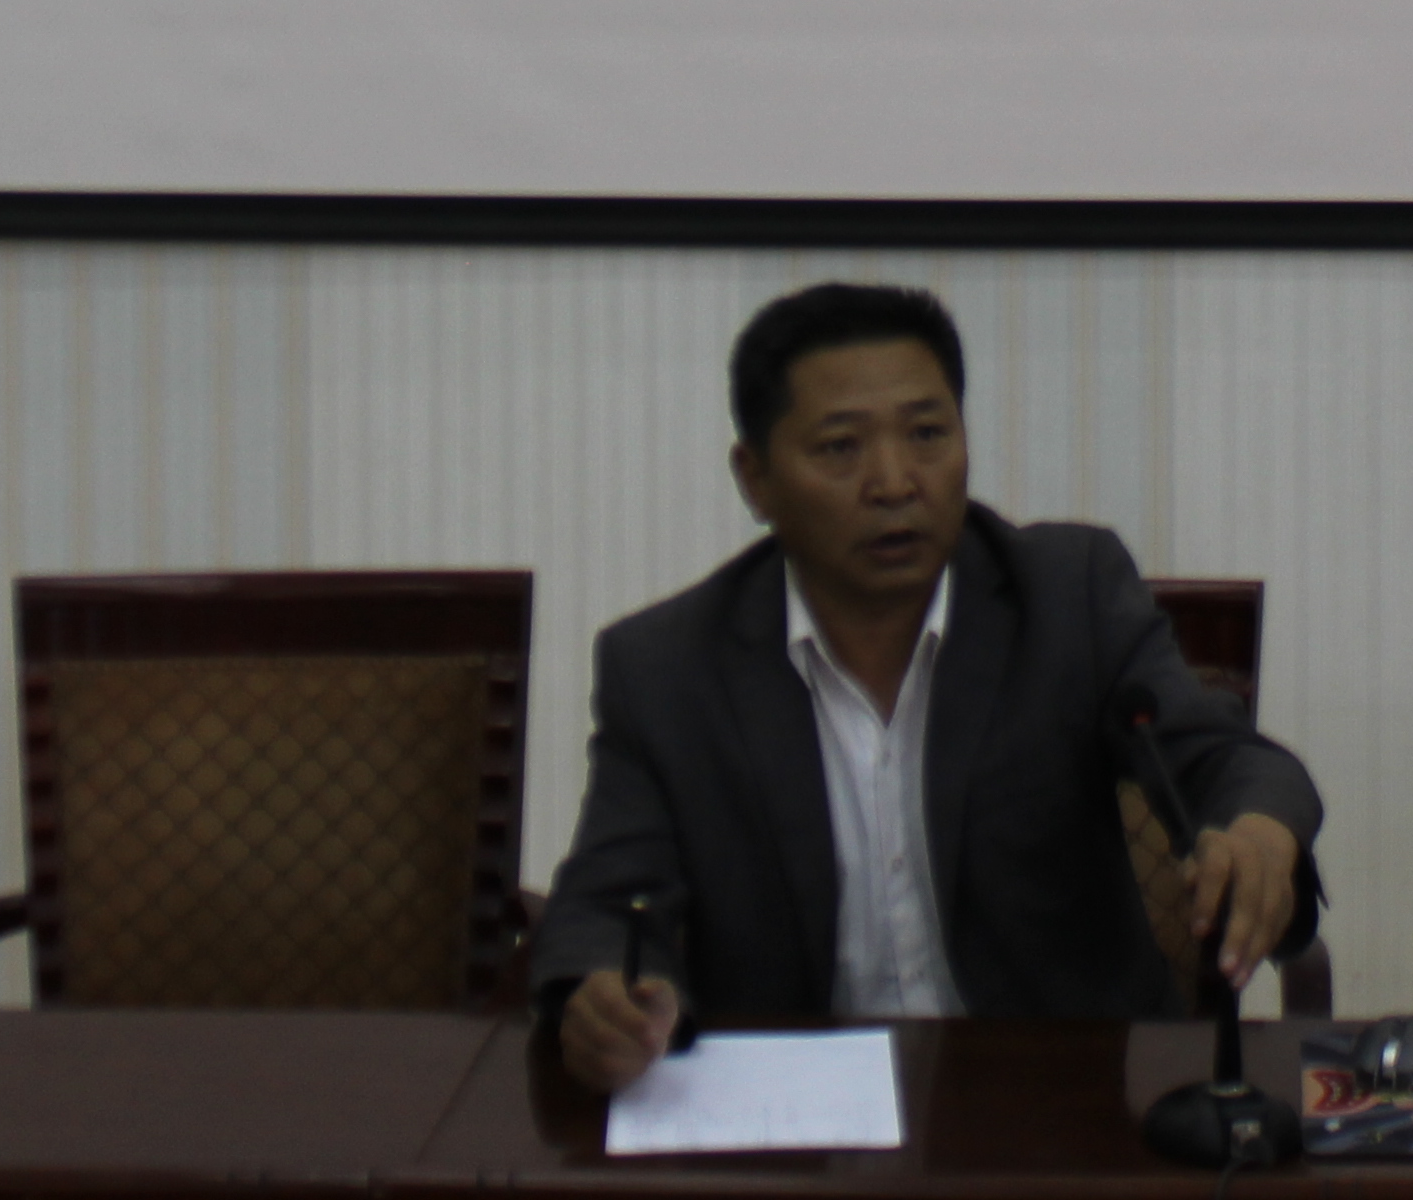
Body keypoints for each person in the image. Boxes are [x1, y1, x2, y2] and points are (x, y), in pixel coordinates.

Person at [533, 282, 1324, 1089]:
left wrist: (1260, 831)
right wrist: (603, 991)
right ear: (756, 479)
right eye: (840, 448)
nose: (893, 482)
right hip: (793, 1108)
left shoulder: (1067, 599)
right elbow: (604, 904)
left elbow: (1224, 757)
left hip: (1055, 1101)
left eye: (927, 434)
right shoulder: (667, 669)